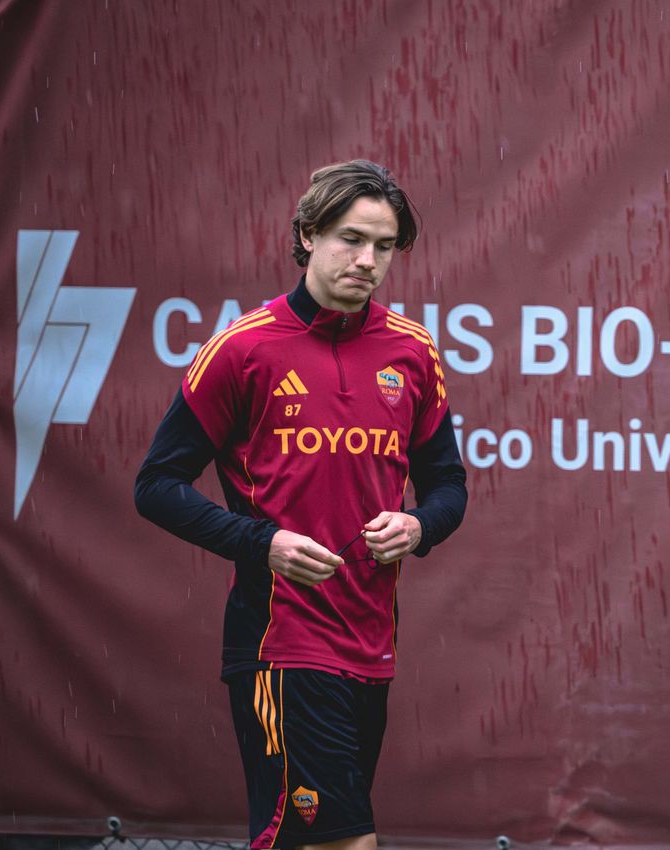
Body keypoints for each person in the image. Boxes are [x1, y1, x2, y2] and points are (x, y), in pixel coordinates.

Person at [135, 160, 467, 850]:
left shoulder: (412, 352)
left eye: (385, 245)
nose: (368, 259)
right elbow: (156, 487)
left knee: (296, 841)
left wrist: (419, 524)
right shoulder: (243, 349)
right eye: (351, 238)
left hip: (373, 642)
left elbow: (448, 488)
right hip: (279, 641)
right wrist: (263, 542)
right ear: (308, 234)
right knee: (345, 842)